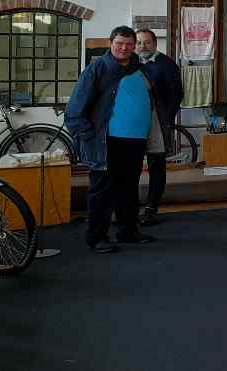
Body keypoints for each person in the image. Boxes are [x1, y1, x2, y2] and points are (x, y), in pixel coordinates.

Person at [65, 26, 161, 253]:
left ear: (134, 45)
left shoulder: (139, 68)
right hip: (107, 141)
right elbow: (75, 110)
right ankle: (97, 237)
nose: (124, 48)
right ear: (111, 43)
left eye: (129, 44)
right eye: (119, 43)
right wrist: (88, 137)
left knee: (129, 187)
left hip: (135, 140)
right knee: (102, 190)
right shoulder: (97, 69)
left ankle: (128, 230)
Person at [133, 29, 183, 227]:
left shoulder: (167, 64)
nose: (142, 46)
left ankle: (151, 207)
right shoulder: (131, 64)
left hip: (158, 122)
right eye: (139, 43)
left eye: (146, 42)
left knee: (156, 165)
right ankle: (130, 207)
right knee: (132, 165)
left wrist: (167, 119)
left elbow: (176, 94)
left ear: (154, 44)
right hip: (134, 123)